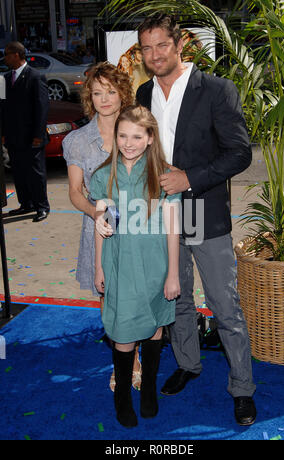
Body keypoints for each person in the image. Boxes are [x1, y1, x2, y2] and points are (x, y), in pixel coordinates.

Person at [135, 14, 257, 426]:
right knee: (178, 297)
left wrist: (190, 177)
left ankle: (242, 388)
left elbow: (240, 152)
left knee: (225, 306)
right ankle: (188, 363)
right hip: (161, 214)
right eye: (147, 48)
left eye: (161, 46)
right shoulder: (143, 92)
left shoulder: (216, 90)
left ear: (179, 44)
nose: (154, 55)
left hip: (204, 211)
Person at [90, 104, 181, 427]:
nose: (129, 142)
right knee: (124, 332)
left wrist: (172, 273)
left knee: (155, 326)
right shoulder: (105, 176)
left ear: (150, 138)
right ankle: (122, 396)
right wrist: (100, 267)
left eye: (136, 136)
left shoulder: (166, 176)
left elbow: (173, 229)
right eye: (123, 135)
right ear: (115, 137)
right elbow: (104, 221)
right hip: (120, 266)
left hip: (156, 266)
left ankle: (149, 390)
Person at [62, 62, 142, 392]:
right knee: (109, 297)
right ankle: (121, 363)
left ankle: (136, 358)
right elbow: (75, 192)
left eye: (111, 91)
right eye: (97, 93)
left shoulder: (140, 128)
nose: (104, 99)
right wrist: (97, 215)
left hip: (140, 227)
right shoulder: (77, 141)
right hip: (101, 231)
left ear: (122, 92)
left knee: (139, 295)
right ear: (88, 97)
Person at [2, 41, 50, 222]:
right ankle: (26, 204)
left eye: (7, 54)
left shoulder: (35, 77)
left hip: (32, 137)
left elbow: (42, 108)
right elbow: (2, 108)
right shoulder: (4, 79)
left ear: (16, 55)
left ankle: (41, 206)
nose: (5, 57)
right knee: (19, 171)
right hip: (14, 137)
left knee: (35, 173)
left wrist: (38, 135)